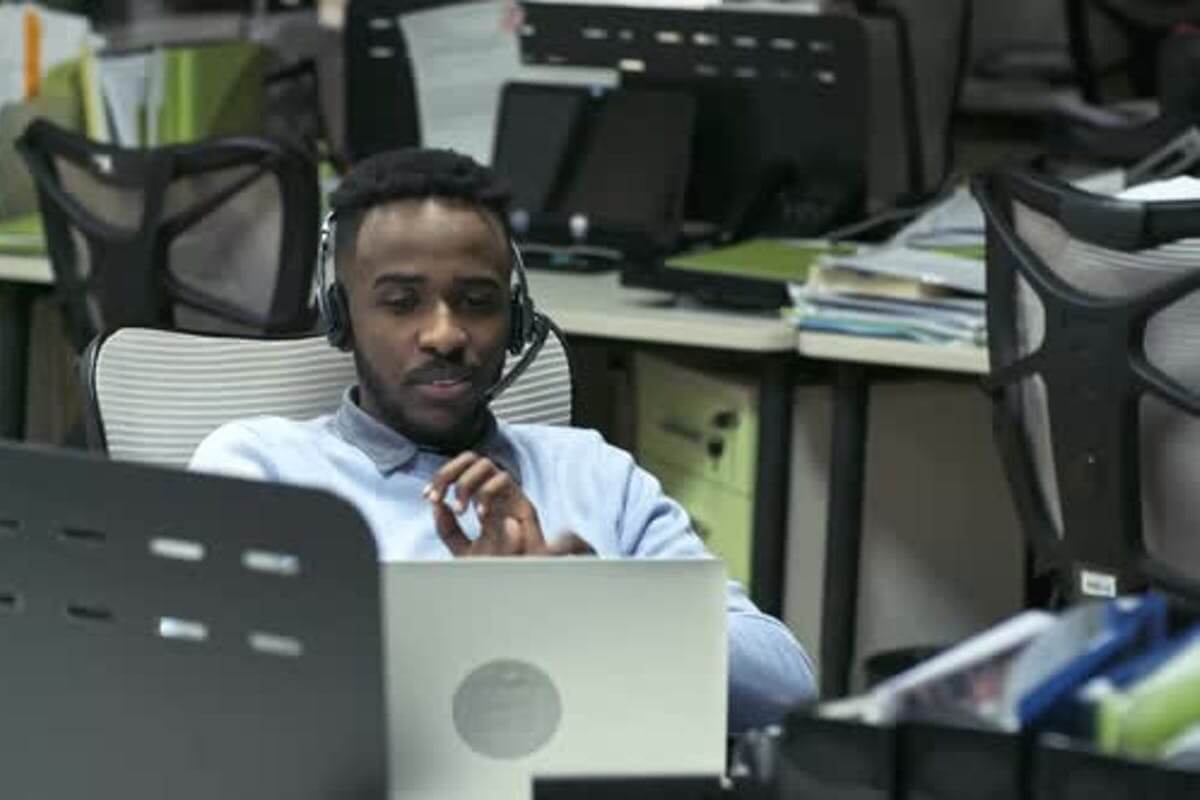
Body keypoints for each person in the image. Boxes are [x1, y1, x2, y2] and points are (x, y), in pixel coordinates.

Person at [189, 148, 816, 731]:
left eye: (477, 301)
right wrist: (481, 617)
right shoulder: (260, 468)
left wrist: (600, 606)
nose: (445, 334)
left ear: (514, 320)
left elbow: (787, 688)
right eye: (402, 301)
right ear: (340, 315)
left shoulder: (594, 473)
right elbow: (204, 685)